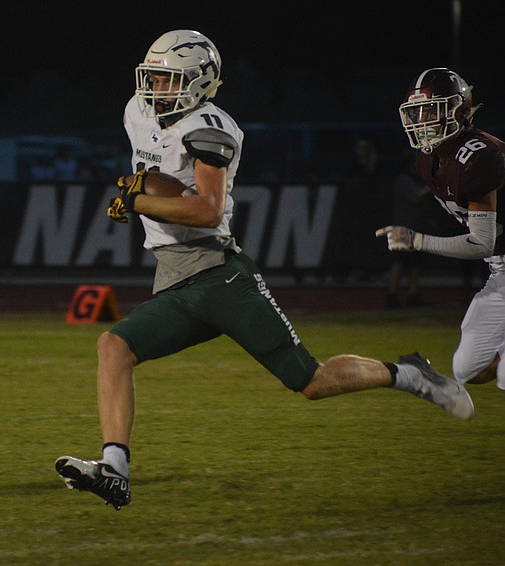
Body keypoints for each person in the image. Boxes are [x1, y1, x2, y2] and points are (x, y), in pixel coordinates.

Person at [54, 32, 473, 511]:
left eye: (168, 79)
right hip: (176, 279)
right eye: (153, 75)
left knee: (310, 382)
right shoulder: (137, 110)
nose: (155, 86)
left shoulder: (212, 127)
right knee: (114, 346)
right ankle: (116, 471)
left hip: (219, 276)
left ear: (199, 83)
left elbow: (208, 211)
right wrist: (145, 186)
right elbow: (162, 176)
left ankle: (410, 376)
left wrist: (138, 199)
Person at [377, 68, 505, 389]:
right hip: (500, 270)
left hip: (495, 258)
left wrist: (416, 240)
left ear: (459, 111)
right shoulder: (427, 161)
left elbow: (481, 243)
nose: (423, 120)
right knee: (468, 369)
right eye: (417, 111)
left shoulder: (480, 157)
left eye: (432, 110)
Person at [384, 152, 441, 308]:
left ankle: (413, 295)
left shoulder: (415, 180)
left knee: (415, 264)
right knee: (399, 262)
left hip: (416, 228)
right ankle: (392, 296)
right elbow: (415, 198)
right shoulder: (403, 180)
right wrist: (432, 185)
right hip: (402, 228)